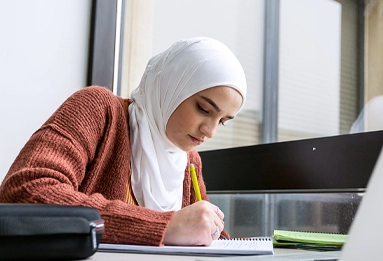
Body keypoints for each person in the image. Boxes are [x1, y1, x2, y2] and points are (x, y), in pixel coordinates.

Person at [0, 37, 247, 246]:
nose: (210, 131)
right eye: (204, 109)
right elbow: (25, 191)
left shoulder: (189, 160)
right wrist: (166, 226)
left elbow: (208, 237)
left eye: (223, 121)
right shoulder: (97, 109)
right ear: (172, 85)